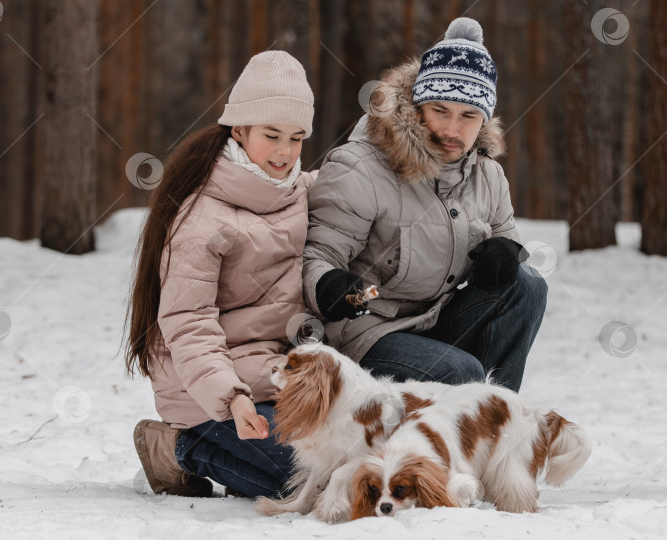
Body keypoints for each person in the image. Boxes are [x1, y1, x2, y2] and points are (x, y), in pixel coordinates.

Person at [302, 18, 547, 392]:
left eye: (468, 115)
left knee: (528, 285)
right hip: (366, 330)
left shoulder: (489, 176)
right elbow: (315, 255)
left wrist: (505, 253)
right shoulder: (362, 167)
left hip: (435, 320)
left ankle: (495, 416)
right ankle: (471, 414)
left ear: (484, 119)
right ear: (417, 107)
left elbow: (510, 257)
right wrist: (328, 285)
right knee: (460, 373)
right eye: (440, 110)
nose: (452, 130)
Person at [125, 51, 316, 498]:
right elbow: (187, 322)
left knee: (347, 467)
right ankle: (176, 447)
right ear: (240, 130)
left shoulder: (302, 193)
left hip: (276, 377)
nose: (285, 152)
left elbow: (364, 177)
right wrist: (231, 396)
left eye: (296, 138)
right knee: (303, 481)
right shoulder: (202, 218)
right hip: (207, 388)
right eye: (271, 135)